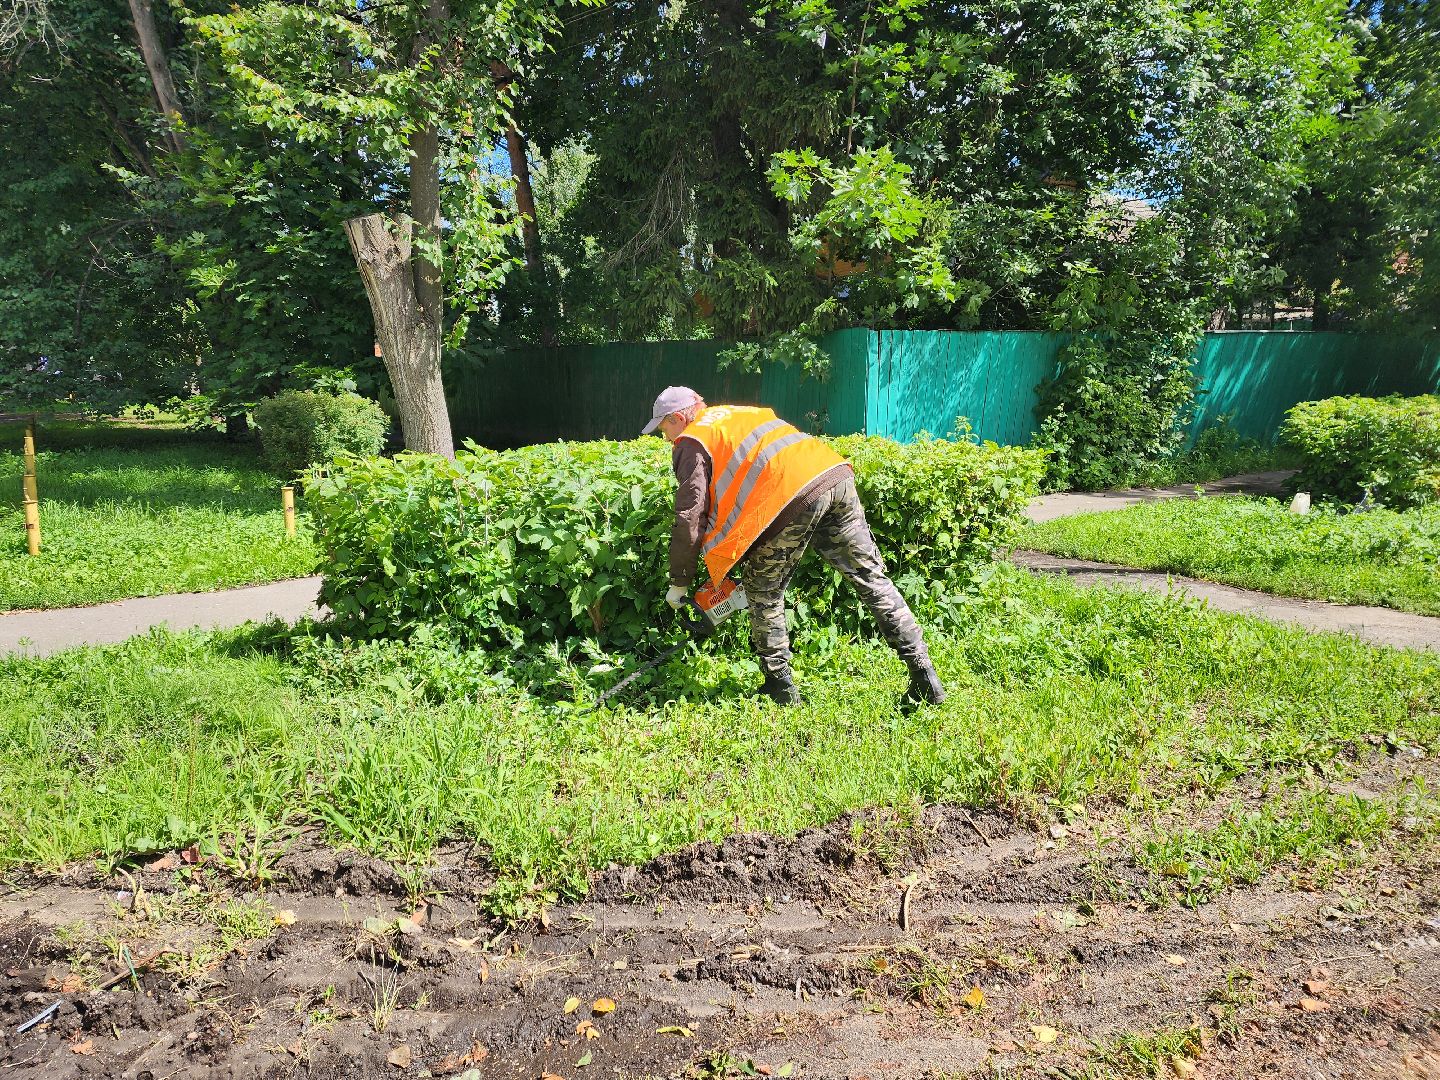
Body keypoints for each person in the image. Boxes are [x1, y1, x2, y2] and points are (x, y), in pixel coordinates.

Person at [641, 385, 946, 707]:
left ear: (677, 417)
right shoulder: (742, 413)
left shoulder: (693, 439)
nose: (667, 439)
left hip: (791, 496)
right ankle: (924, 674)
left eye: (665, 429)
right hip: (833, 475)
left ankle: (780, 686)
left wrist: (680, 581)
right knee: (871, 579)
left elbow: (690, 515)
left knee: (763, 592)